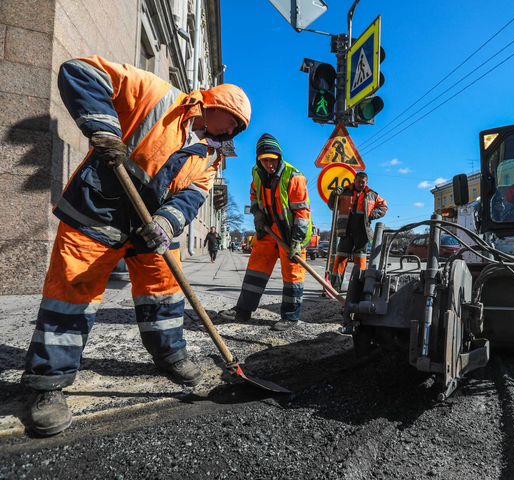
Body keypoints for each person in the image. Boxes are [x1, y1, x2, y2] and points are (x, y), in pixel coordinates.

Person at [22, 55, 251, 437]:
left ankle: (171, 355)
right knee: (71, 292)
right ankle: (49, 385)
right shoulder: (157, 93)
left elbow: (192, 197)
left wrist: (166, 222)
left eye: (237, 129)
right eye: (233, 123)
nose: (233, 131)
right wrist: (105, 129)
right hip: (100, 209)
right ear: (213, 104)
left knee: (165, 290)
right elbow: (80, 71)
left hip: (150, 227)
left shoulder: (210, 158)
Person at [218, 134, 312, 331]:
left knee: (293, 275)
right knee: (255, 269)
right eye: (265, 160)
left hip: (291, 232)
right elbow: (254, 195)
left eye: (273, 160)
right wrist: (257, 214)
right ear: (258, 160)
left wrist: (296, 241)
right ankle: (243, 311)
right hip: (268, 230)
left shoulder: (294, 177)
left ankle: (290, 316)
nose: (269, 164)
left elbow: (302, 213)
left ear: (279, 158)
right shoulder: (257, 174)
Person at [327, 171, 388, 293]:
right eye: (359, 181)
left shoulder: (372, 195)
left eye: (363, 182)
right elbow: (332, 205)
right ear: (354, 180)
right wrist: (334, 195)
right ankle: (334, 288)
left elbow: (384, 207)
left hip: (363, 231)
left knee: (360, 260)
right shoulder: (344, 191)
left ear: (367, 183)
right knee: (340, 258)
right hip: (346, 230)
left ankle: (358, 288)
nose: (361, 184)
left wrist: (373, 214)